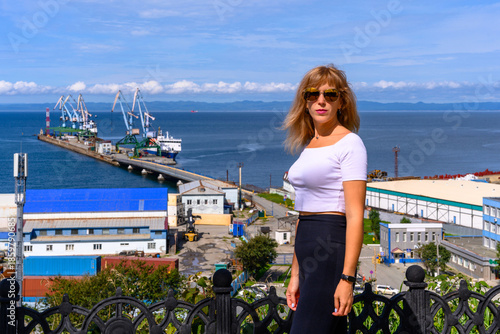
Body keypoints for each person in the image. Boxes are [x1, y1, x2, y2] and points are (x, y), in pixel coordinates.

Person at [283, 64, 367, 333]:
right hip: (306, 245)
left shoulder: (350, 143)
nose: (321, 101)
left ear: (341, 101)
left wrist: (347, 278)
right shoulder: (309, 145)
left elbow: (355, 215)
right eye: (313, 94)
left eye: (330, 95)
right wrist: (295, 275)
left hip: (329, 247)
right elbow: (303, 212)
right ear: (304, 101)